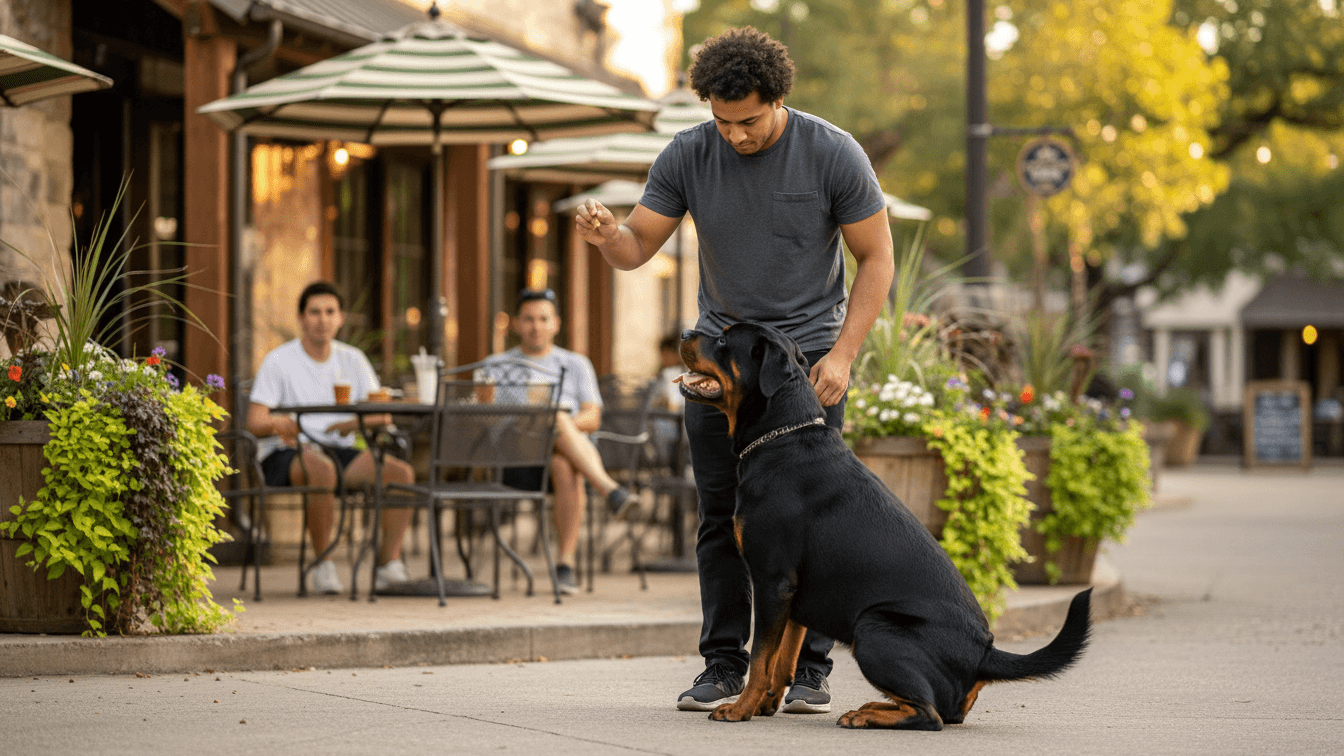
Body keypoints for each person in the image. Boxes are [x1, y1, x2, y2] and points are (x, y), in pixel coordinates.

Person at [574, 27, 895, 714]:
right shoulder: (690, 153)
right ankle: (723, 665)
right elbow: (635, 249)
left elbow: (878, 258)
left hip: (806, 371)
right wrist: (607, 239)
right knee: (721, 516)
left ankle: (809, 670)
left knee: (817, 523)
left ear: (777, 101)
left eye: (748, 121)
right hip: (720, 368)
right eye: (723, 121)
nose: (735, 136)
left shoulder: (832, 153)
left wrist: (842, 355)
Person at [246, 281, 416, 595]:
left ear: (340, 318)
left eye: (330, 312)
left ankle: (387, 566)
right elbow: (254, 421)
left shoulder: (353, 359)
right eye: (314, 312)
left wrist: (350, 424)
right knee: (320, 470)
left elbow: (382, 415)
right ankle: (323, 563)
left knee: (400, 474)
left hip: (339, 449)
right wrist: (279, 424)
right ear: (301, 318)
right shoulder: (279, 360)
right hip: (287, 453)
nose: (322, 319)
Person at [485, 288, 635, 595]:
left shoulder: (576, 364)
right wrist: (542, 421)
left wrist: (559, 424)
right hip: (517, 458)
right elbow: (484, 420)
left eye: (543, 319)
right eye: (528, 319)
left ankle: (564, 563)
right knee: (555, 419)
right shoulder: (495, 365)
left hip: (563, 457)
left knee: (562, 460)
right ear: (516, 324)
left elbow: (592, 418)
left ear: (556, 323)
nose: (535, 326)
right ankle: (609, 489)